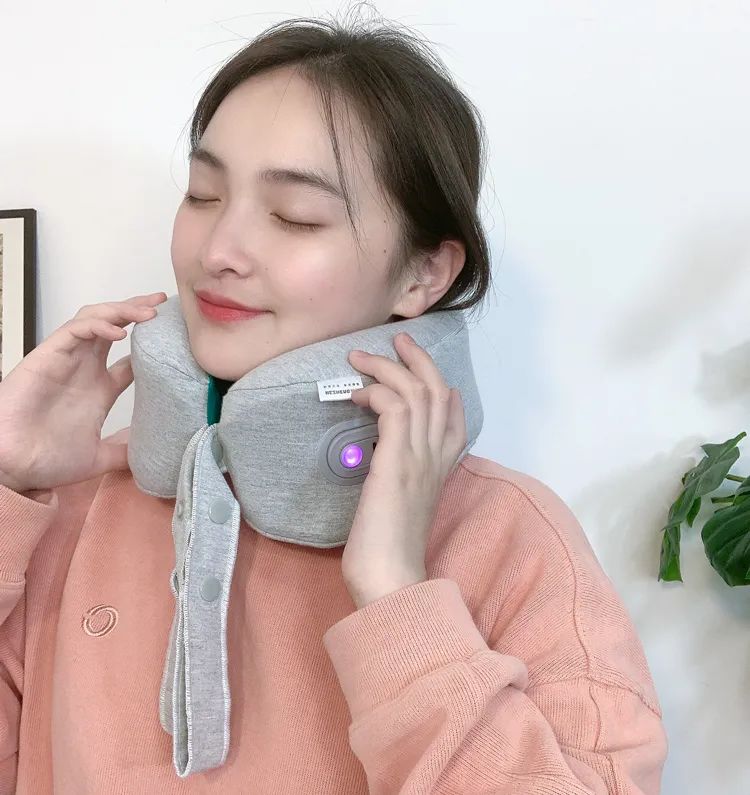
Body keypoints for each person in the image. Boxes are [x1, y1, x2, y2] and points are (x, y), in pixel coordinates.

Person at [0, 10, 668, 794]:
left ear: (423, 274)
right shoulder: (70, 514)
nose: (218, 251)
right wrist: (9, 484)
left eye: (295, 216)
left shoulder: (511, 537)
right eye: (203, 194)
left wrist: (395, 592)